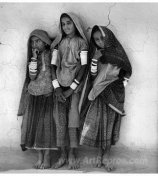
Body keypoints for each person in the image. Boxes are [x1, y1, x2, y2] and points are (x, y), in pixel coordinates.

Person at [79, 25, 132, 172]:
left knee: (109, 124)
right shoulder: (97, 54)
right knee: (98, 123)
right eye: (96, 40)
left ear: (108, 36)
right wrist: (95, 60)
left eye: (102, 38)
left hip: (114, 94)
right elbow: (93, 75)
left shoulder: (119, 53)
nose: (100, 42)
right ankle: (99, 153)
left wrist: (122, 85)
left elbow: (127, 70)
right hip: (98, 93)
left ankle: (107, 155)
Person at [50, 12, 89, 169]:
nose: (66, 26)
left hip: (75, 88)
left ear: (76, 24)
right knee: (60, 121)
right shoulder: (58, 44)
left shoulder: (82, 44)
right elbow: (53, 66)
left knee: (73, 120)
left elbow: (84, 67)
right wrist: (57, 87)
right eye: (63, 24)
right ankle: (63, 155)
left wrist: (71, 89)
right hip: (59, 88)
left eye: (69, 23)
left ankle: (72, 154)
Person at [17, 29, 57, 169]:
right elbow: (32, 77)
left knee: (46, 127)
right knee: (35, 127)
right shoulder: (33, 58)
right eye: (32, 42)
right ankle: (39, 156)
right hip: (34, 96)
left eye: (38, 41)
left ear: (45, 42)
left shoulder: (52, 54)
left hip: (48, 96)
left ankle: (47, 156)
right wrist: (34, 58)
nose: (34, 44)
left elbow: (54, 72)